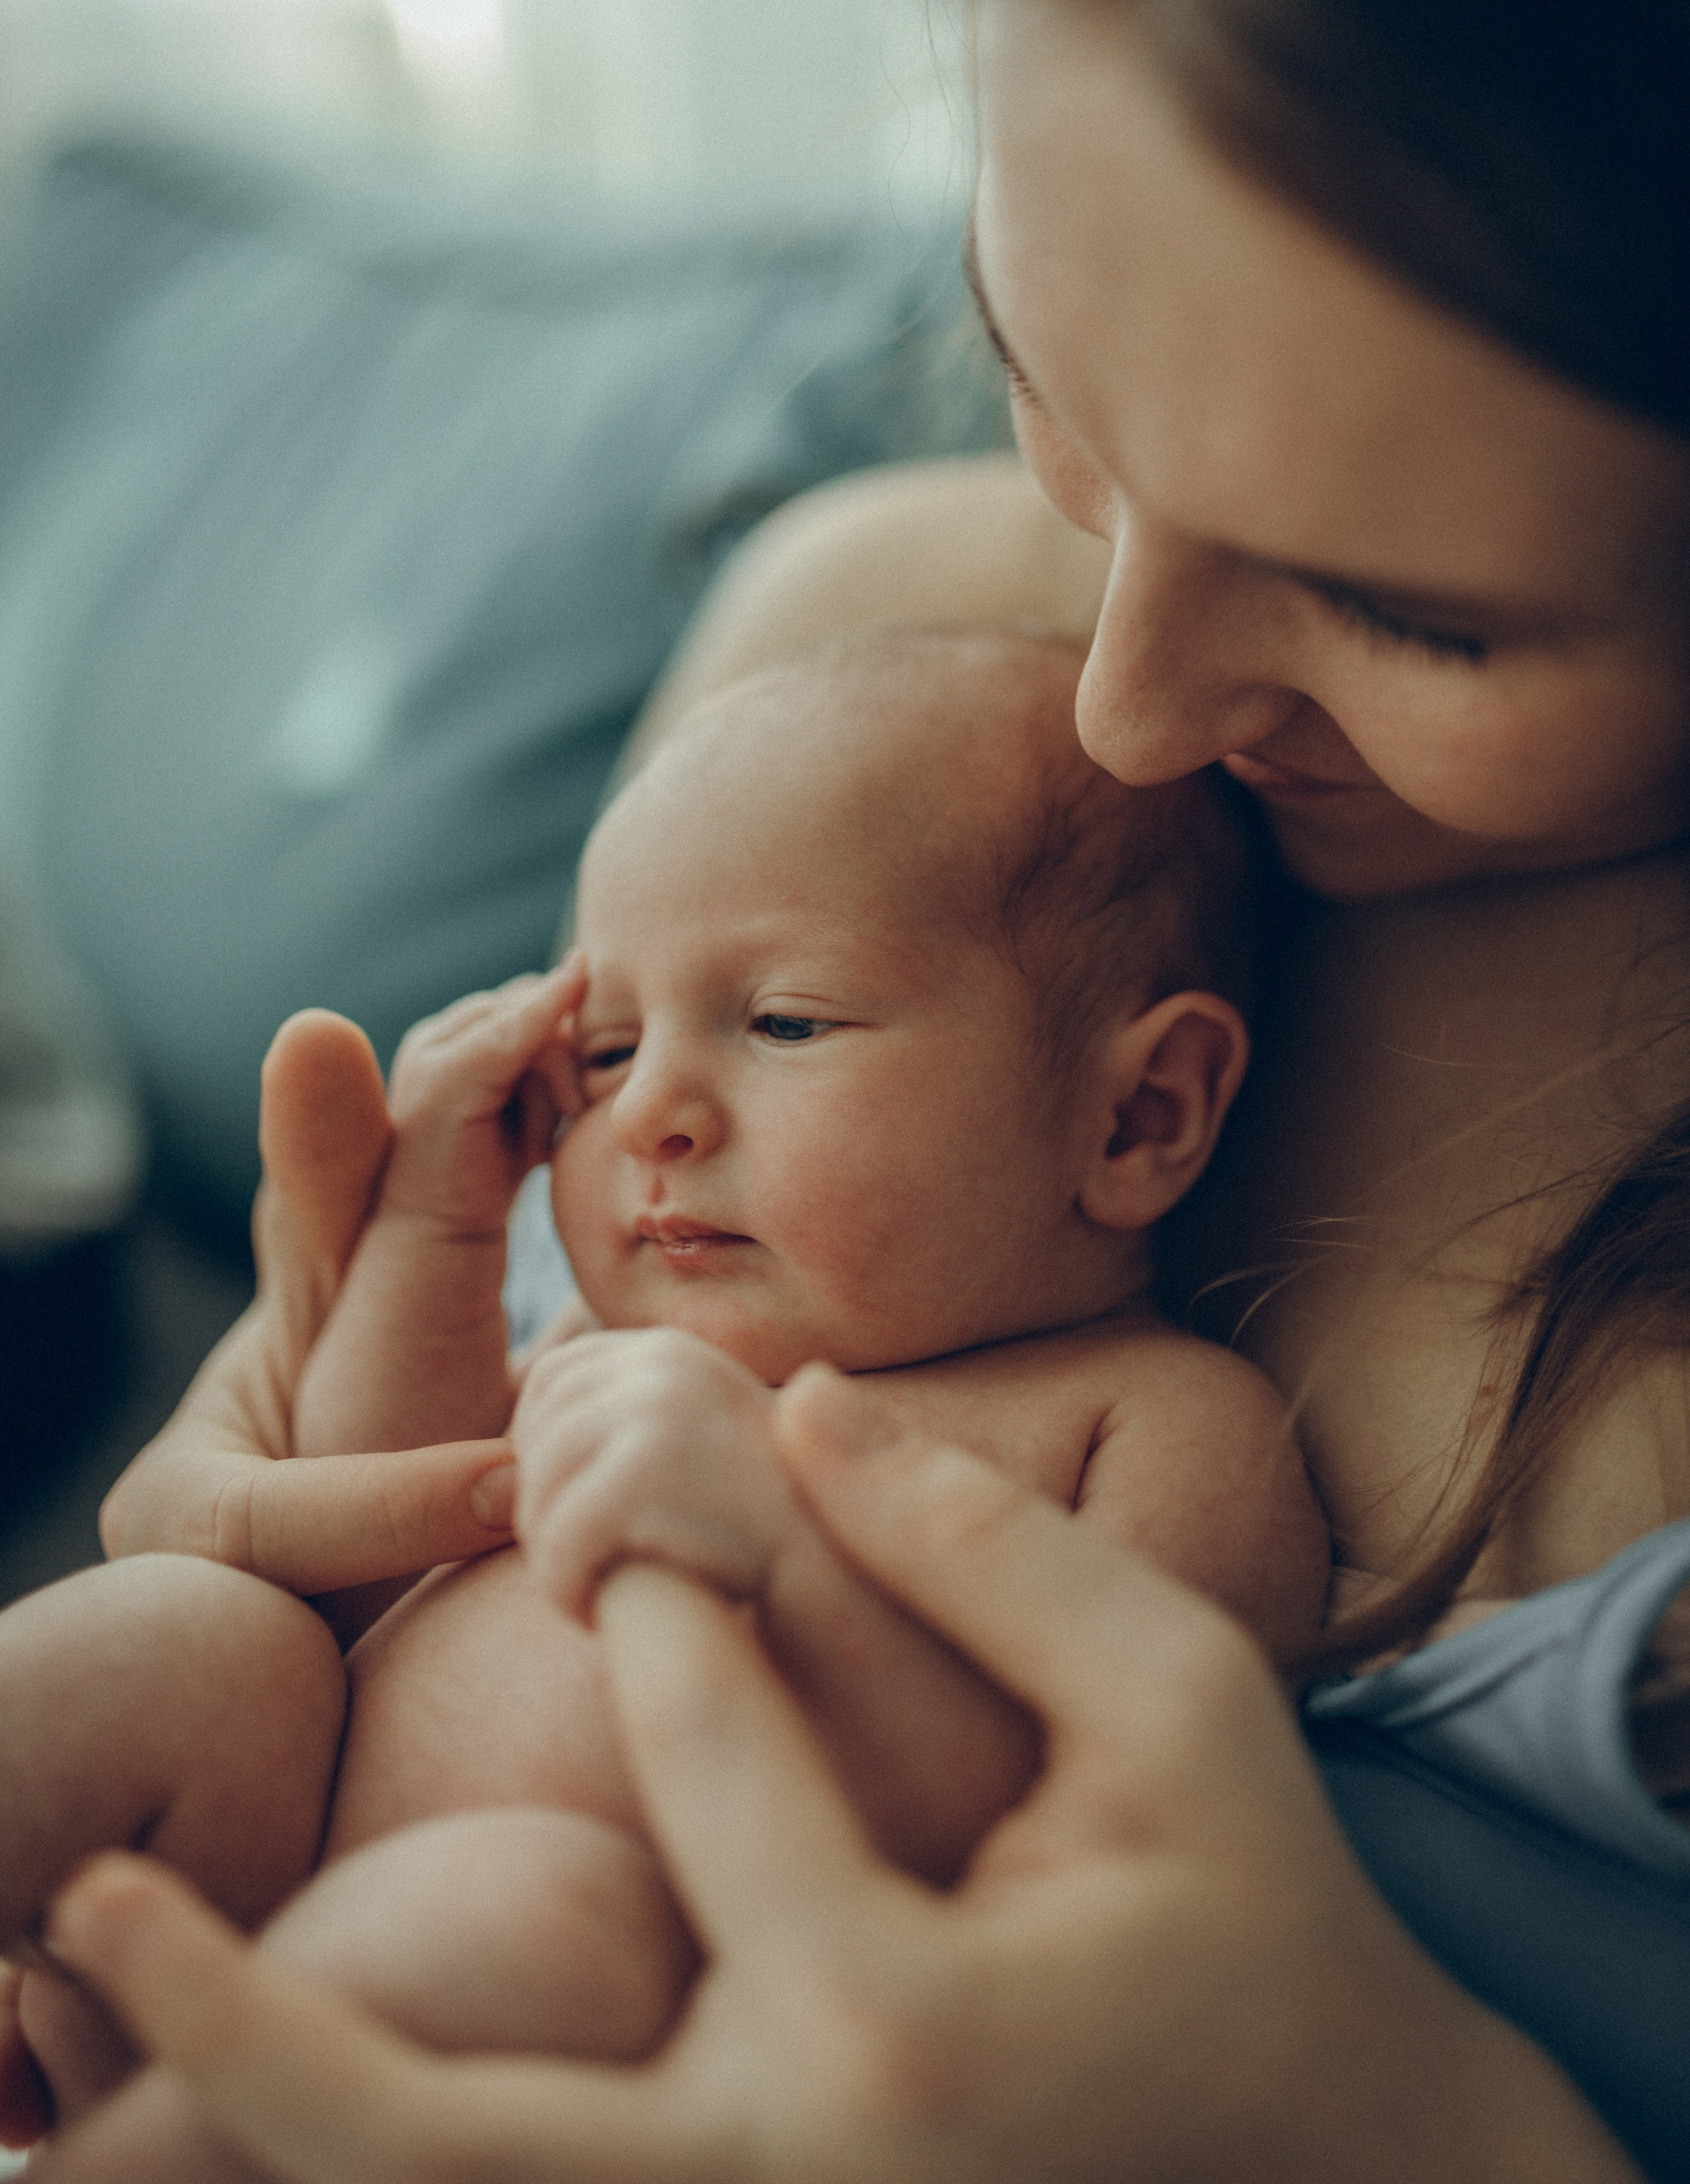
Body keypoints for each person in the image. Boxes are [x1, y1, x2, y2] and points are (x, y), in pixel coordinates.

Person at [28, 0, 1690, 2176]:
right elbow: (371, 1484)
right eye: (1058, 401)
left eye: (1413, 611)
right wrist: (293, 1451)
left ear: (1151, 1111)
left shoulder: (1151, 1434)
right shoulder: (857, 666)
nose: (1129, 698)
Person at [0, 632, 1326, 2178]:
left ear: (1135, 1112)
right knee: (193, 1631)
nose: (646, 1113)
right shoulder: (601, 1332)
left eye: (784, 1023)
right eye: (607, 1048)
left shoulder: (1153, 1425)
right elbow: (352, 1557)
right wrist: (434, 1233)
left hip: (560, 2034)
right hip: (232, 1851)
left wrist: (780, 1554)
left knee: (530, 1905)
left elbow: (1116, 1823)